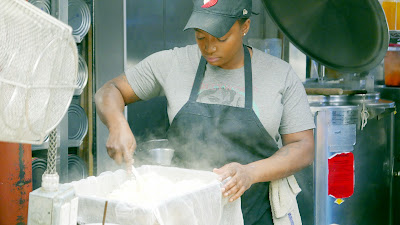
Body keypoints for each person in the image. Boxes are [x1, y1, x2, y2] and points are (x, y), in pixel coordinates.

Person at [95, 0, 315, 224]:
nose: (209, 47)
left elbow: (303, 146)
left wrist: (250, 173)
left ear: (245, 26)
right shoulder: (175, 62)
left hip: (256, 215)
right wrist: (117, 124)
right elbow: (109, 91)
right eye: (201, 36)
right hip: (186, 216)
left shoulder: (279, 74)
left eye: (221, 38)